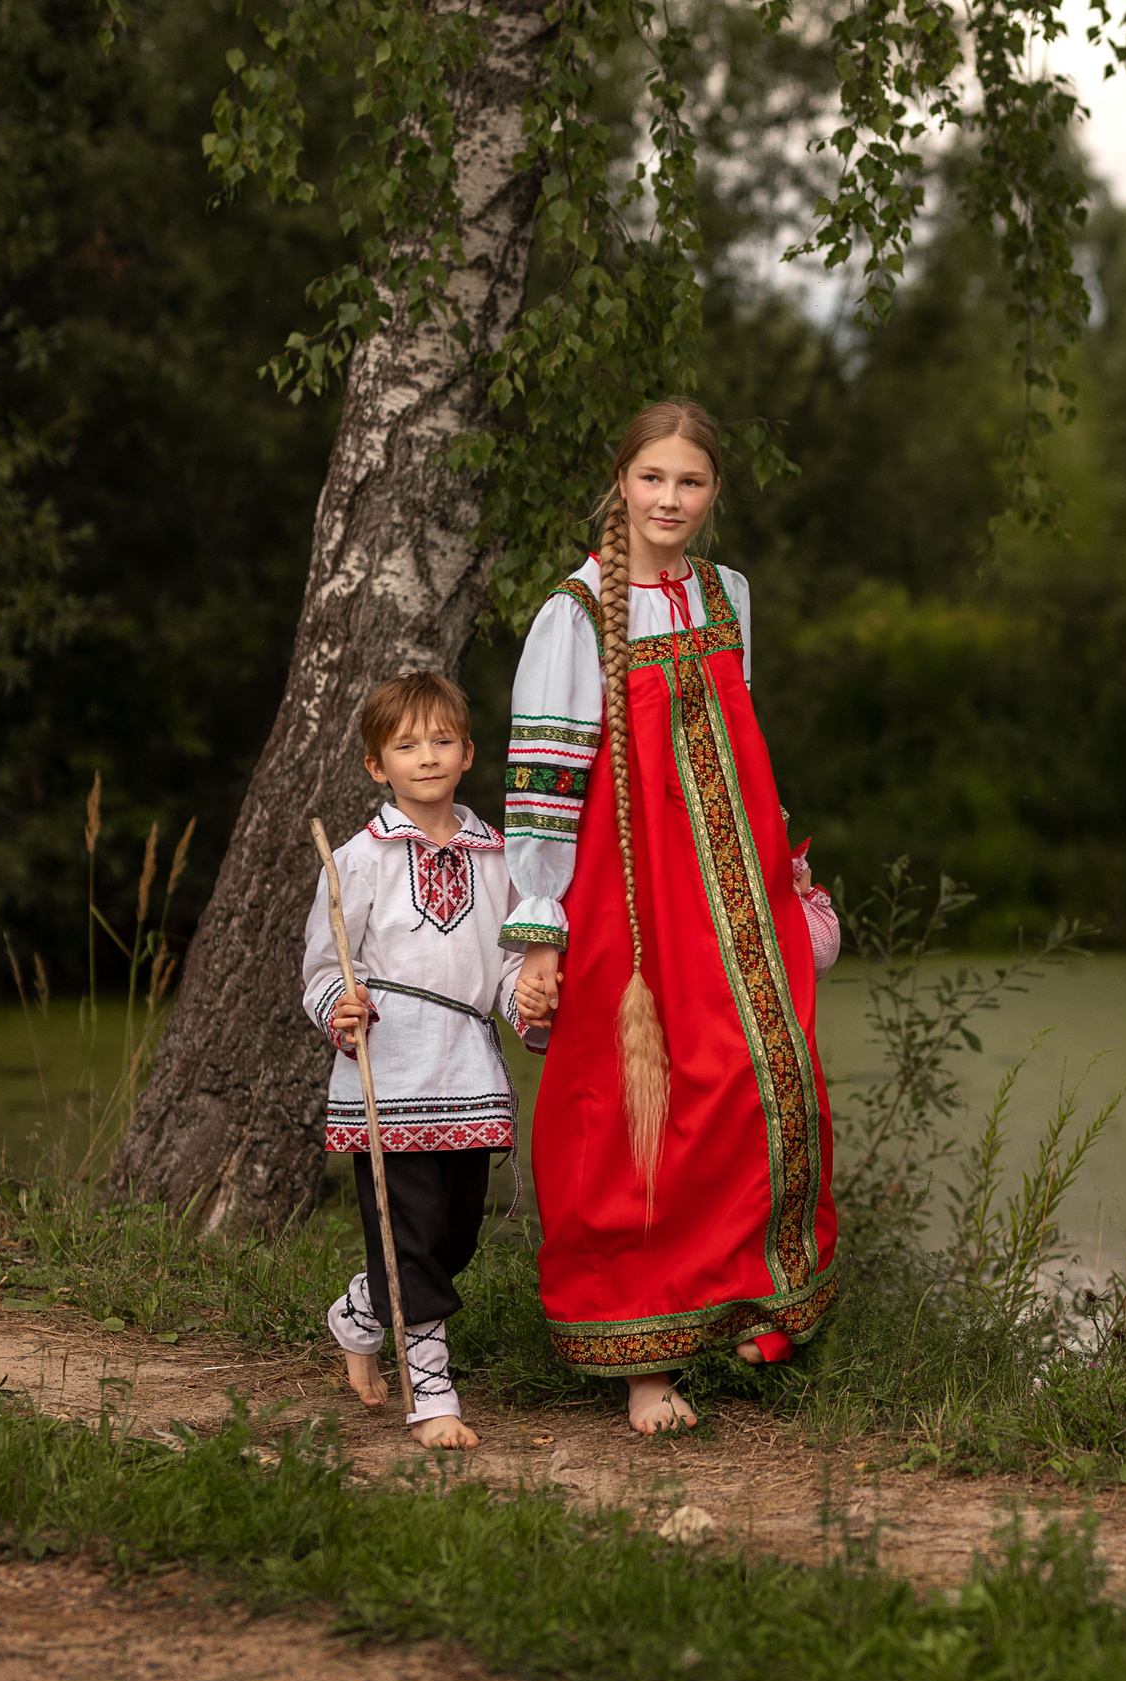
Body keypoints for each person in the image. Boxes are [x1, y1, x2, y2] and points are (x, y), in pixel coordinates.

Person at [504, 398, 844, 1435]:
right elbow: (543, 778)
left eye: (689, 481)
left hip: (733, 889)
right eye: (652, 477)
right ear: (622, 482)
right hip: (629, 896)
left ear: (713, 494)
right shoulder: (577, 609)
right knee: (638, 1109)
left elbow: (744, 742)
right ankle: (642, 1362)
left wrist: (780, 858)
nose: (669, 498)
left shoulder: (727, 594)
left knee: (758, 1077)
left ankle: (753, 1296)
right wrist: (537, 921)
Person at [304, 670, 552, 1450]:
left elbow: (509, 968)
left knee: (455, 1238)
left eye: (442, 739)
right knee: (409, 1237)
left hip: (468, 1074)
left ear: (468, 751)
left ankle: (359, 1310)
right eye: (406, 744)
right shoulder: (358, 860)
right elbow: (321, 969)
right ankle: (432, 1393)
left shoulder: (500, 856)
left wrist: (529, 1004)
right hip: (390, 1074)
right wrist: (340, 1009)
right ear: (377, 765)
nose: (427, 755)